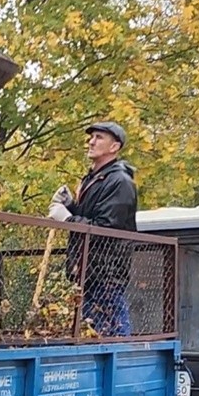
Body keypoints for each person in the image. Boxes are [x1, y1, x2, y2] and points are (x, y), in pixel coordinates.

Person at [48, 121, 138, 336]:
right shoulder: (96, 179)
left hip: (106, 272)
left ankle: (122, 365)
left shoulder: (120, 182)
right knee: (93, 332)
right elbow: (91, 217)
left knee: (112, 332)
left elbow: (105, 228)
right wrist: (71, 204)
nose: (91, 141)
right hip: (88, 270)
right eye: (91, 137)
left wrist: (67, 219)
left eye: (99, 137)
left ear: (114, 147)